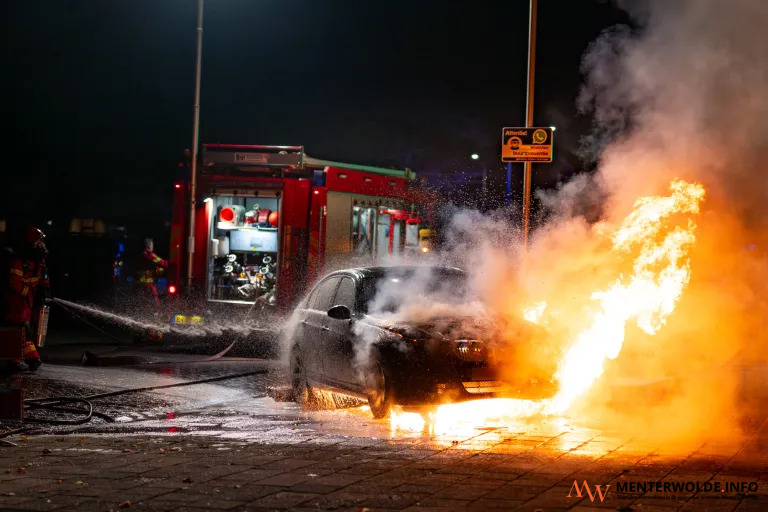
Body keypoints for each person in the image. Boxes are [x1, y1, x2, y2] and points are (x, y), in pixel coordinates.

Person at [4, 227, 49, 372]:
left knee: (27, 328)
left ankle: (16, 359)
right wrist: (31, 291)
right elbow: (14, 283)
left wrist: (44, 290)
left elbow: (43, 278)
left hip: (28, 300)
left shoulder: (39, 261)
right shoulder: (19, 261)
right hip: (17, 300)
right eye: (38, 241)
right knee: (23, 327)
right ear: (31, 242)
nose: (41, 245)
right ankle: (31, 358)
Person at [135, 238, 167, 316]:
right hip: (148, 282)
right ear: (149, 246)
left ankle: (145, 314)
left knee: (144, 299)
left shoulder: (142, 254)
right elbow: (162, 262)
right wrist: (171, 264)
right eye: (152, 245)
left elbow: (149, 265)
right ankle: (157, 313)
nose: (153, 246)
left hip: (142, 281)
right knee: (154, 297)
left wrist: (157, 269)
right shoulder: (150, 255)